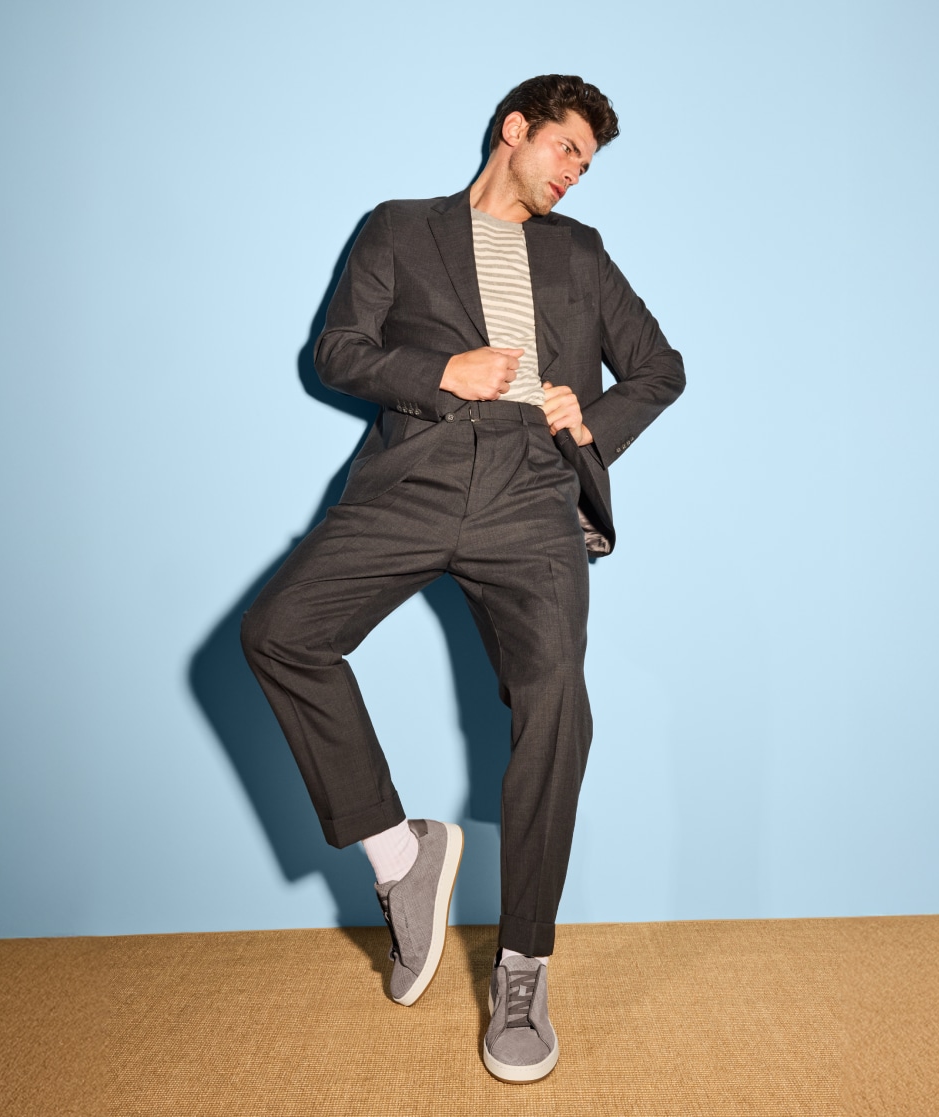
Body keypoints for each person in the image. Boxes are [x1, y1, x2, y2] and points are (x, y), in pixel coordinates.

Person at [241, 74, 684, 1082]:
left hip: (532, 489)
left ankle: (522, 967)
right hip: (418, 473)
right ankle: (403, 857)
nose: (577, 174)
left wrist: (588, 422)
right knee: (278, 634)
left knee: (556, 702)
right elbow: (338, 351)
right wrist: (440, 374)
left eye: (589, 162)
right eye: (567, 149)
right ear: (513, 130)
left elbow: (660, 367)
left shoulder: (578, 251)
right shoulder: (398, 229)